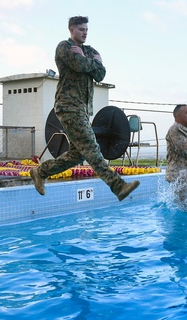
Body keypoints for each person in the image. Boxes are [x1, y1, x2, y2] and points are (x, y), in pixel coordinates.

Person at [32, 16, 139, 200]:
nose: (85, 33)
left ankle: (41, 172)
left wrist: (89, 61)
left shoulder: (89, 50)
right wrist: (90, 62)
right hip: (68, 106)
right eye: (81, 29)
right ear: (71, 30)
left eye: (86, 30)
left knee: (77, 154)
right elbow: (79, 65)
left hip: (81, 108)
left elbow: (100, 74)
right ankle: (117, 186)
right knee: (91, 147)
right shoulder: (64, 47)